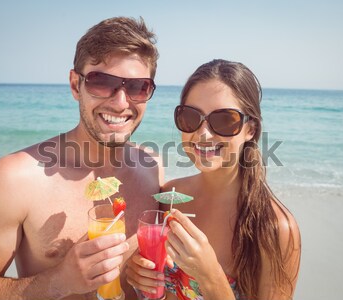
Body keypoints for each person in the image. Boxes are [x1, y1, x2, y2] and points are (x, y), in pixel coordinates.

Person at [0, 17, 163, 300]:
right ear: (75, 84)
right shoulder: (16, 178)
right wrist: (59, 281)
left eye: (138, 86)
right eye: (101, 82)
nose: (120, 102)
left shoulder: (152, 168)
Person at [126, 59, 301, 300]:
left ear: (250, 129)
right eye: (190, 116)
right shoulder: (170, 198)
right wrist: (137, 275)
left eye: (224, 120)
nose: (203, 134)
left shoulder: (274, 228)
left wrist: (211, 277)